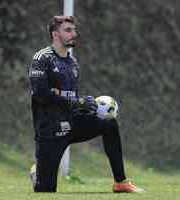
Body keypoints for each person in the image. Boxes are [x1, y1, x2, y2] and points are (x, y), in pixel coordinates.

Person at [28, 15, 144, 193]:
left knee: (109, 124)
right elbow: (40, 94)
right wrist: (76, 102)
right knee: (45, 190)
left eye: (74, 30)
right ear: (55, 35)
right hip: (50, 130)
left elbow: (69, 98)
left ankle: (120, 182)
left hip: (72, 123)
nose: (74, 33)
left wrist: (85, 105)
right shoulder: (42, 58)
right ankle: (38, 173)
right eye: (68, 30)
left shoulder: (72, 62)